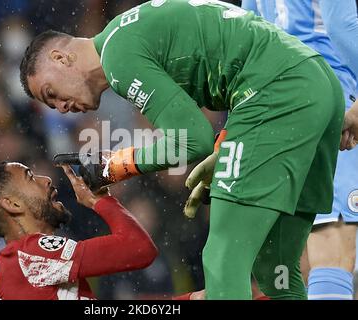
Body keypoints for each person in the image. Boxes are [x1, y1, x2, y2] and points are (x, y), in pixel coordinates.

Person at [19, 0, 350, 299]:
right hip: (318, 87)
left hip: (276, 94)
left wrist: (112, 167)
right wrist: (226, 149)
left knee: (223, 257)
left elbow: (191, 139)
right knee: (275, 266)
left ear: (61, 58)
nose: (59, 107)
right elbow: (234, 59)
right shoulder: (128, 29)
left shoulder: (118, 56)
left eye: (51, 93)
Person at [242, 0, 358, 300]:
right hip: (335, 93)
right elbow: (342, 25)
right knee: (334, 245)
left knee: (301, 254)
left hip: (279, 105)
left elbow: (249, 33)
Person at [0, 162, 157, 299]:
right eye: (30, 177)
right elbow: (138, 248)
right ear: (12, 204)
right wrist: (101, 201)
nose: (46, 179)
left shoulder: (28, 263)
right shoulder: (31, 255)